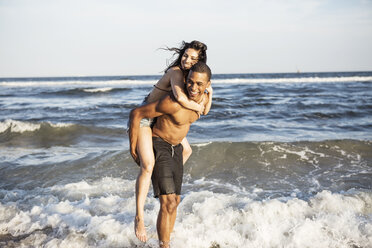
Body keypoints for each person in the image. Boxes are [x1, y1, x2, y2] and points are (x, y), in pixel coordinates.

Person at [131, 41, 213, 242]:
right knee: (148, 165)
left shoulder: (193, 79)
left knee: (186, 154)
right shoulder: (177, 74)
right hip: (147, 116)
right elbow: (180, 100)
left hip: (166, 125)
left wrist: (207, 98)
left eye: (193, 58)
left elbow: (203, 103)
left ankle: (163, 179)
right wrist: (132, 146)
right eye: (186, 55)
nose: (187, 60)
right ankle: (139, 217)